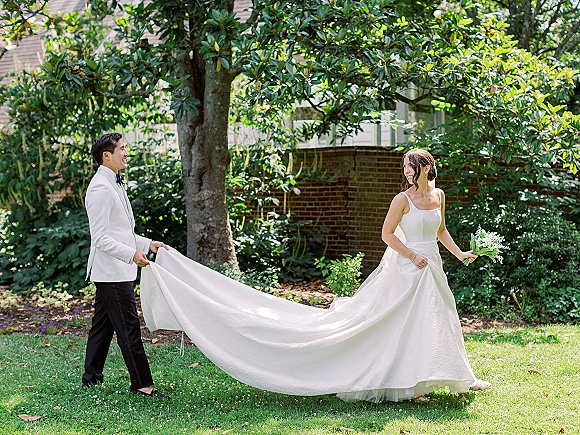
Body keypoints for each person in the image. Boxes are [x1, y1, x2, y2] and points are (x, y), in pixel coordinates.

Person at [139, 148, 490, 403]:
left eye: (411, 167)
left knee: (441, 318)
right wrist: (412, 254)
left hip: (432, 266)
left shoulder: (438, 196)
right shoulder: (402, 199)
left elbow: (441, 230)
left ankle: (458, 376)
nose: (407, 172)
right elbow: (387, 235)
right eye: (404, 168)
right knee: (400, 323)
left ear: (426, 168)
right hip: (407, 266)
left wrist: (460, 254)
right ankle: (406, 380)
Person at [82, 133, 169, 399]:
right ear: (106, 156)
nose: (126, 152)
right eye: (122, 149)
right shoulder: (99, 188)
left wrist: (147, 244)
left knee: (103, 326)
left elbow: (121, 231)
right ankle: (142, 384)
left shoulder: (114, 184)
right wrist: (132, 254)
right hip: (112, 273)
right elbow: (101, 238)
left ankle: (91, 377)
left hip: (116, 270)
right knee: (129, 328)